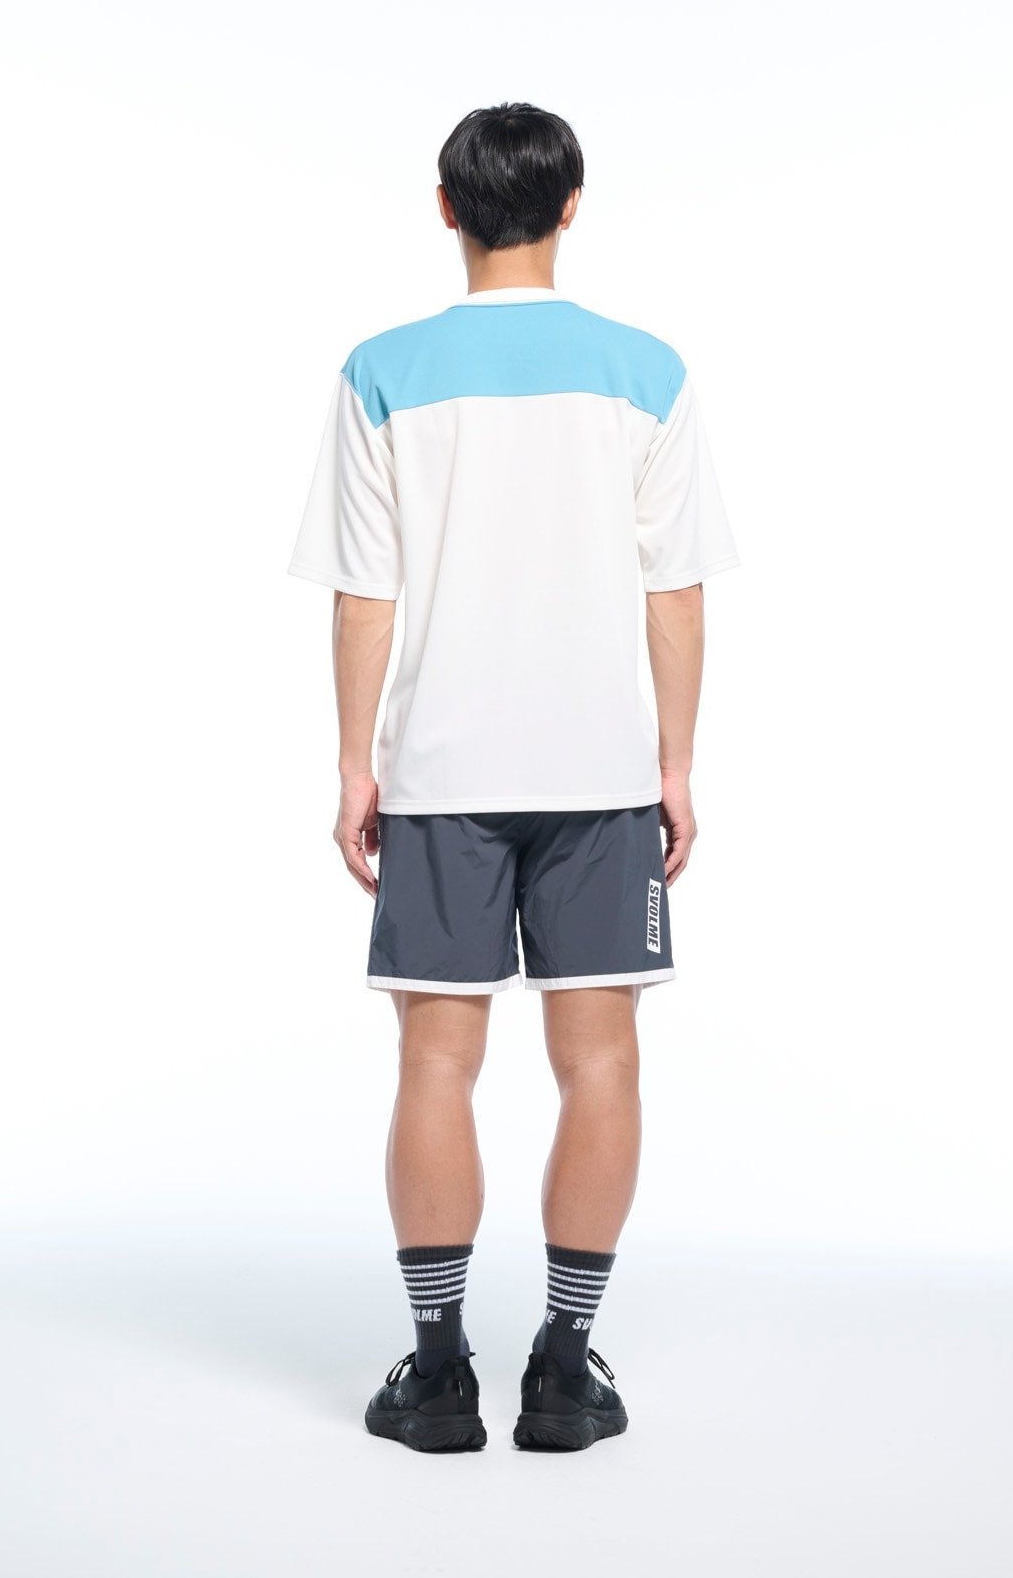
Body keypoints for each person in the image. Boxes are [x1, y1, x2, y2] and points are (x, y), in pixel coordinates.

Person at [288, 102, 738, 1452]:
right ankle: (563, 1367)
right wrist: (675, 764)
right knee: (601, 1062)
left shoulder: (382, 370)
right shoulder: (645, 370)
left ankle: (437, 1375)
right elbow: (676, 591)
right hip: (601, 772)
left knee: (436, 1061)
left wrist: (356, 767)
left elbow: (364, 596)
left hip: (441, 774)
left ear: (446, 208)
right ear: (573, 205)